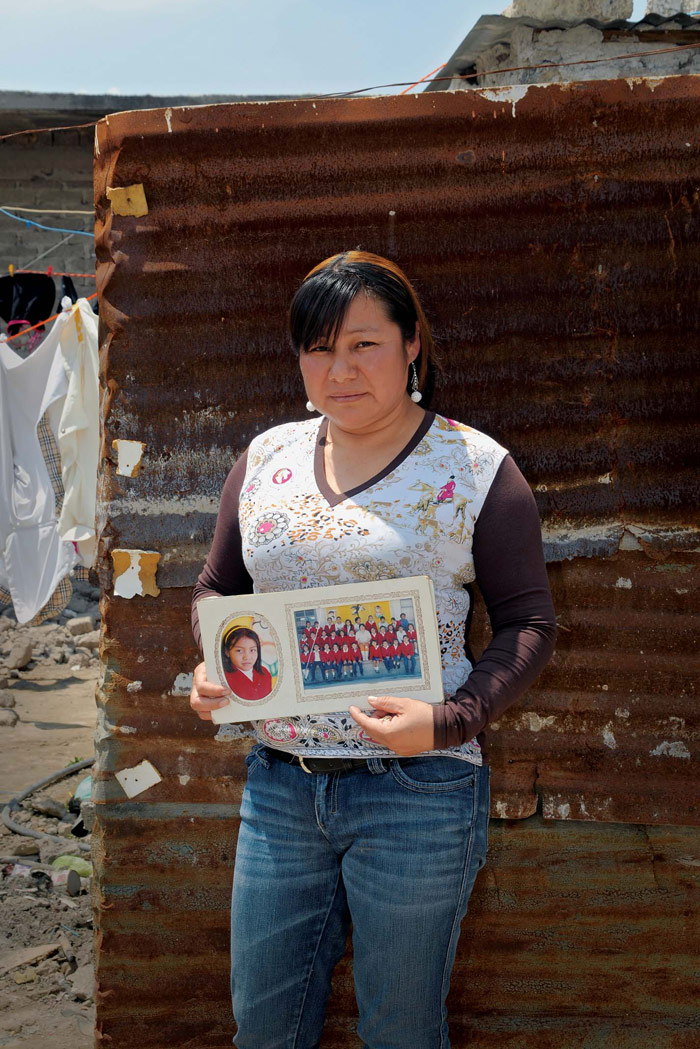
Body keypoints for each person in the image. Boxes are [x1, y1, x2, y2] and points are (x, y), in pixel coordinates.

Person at [189, 250, 556, 1048]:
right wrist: (220, 664)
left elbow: (529, 620)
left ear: (412, 343)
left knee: (399, 1029)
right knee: (263, 1028)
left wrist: (452, 720)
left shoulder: (475, 468)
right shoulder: (265, 461)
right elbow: (217, 586)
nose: (339, 368)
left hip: (417, 794)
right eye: (319, 347)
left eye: (364, 344)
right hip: (280, 789)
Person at [221, 625, 273, 702]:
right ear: (227, 652)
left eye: (252, 650)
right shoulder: (223, 678)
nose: (247, 657)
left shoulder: (265, 673)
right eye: (239, 651)